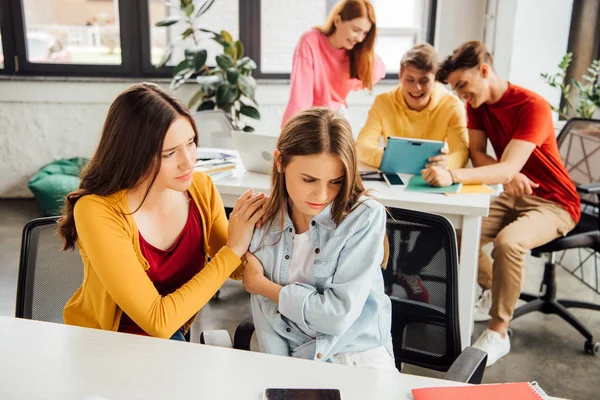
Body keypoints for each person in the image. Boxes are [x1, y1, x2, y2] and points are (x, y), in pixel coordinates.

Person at [59, 83, 266, 340]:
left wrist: (261, 228)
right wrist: (233, 250)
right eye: (169, 153)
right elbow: (158, 321)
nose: (188, 160)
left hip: (169, 340)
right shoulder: (97, 211)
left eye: (190, 142)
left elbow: (236, 268)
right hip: (103, 345)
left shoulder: (201, 189)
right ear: (133, 154)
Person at [426, 41, 580, 366]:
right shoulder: (477, 104)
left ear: (484, 70)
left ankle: (498, 332)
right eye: (455, 89)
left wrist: (454, 175)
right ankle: (493, 290)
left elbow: (506, 166)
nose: (460, 95)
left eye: (463, 85)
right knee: (456, 231)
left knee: (508, 244)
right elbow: (479, 154)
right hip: (512, 194)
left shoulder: (532, 106)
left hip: (554, 202)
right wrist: (506, 175)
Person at [242, 108, 395, 370]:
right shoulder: (261, 221)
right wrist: (280, 376)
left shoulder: (364, 217)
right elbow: (267, 322)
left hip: (354, 357)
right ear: (280, 162)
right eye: (309, 179)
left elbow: (336, 318)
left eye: (335, 181)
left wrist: (262, 284)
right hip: (288, 360)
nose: (322, 195)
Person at [356, 43, 469, 301]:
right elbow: (361, 146)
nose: (416, 88)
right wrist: (392, 160)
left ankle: (409, 270)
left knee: (441, 223)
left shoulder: (451, 105)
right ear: (400, 77)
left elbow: (461, 153)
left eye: (424, 81)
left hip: (429, 181)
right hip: (391, 181)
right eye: (410, 80)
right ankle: (382, 284)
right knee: (377, 214)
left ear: (434, 80)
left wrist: (444, 166)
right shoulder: (384, 102)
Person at [281, 0, 386, 126]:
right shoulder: (311, 41)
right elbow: (300, 95)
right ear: (337, 21)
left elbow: (377, 70)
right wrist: (290, 129)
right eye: (355, 30)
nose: (359, 38)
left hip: (337, 117)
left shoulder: (356, 52)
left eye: (365, 33)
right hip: (310, 117)